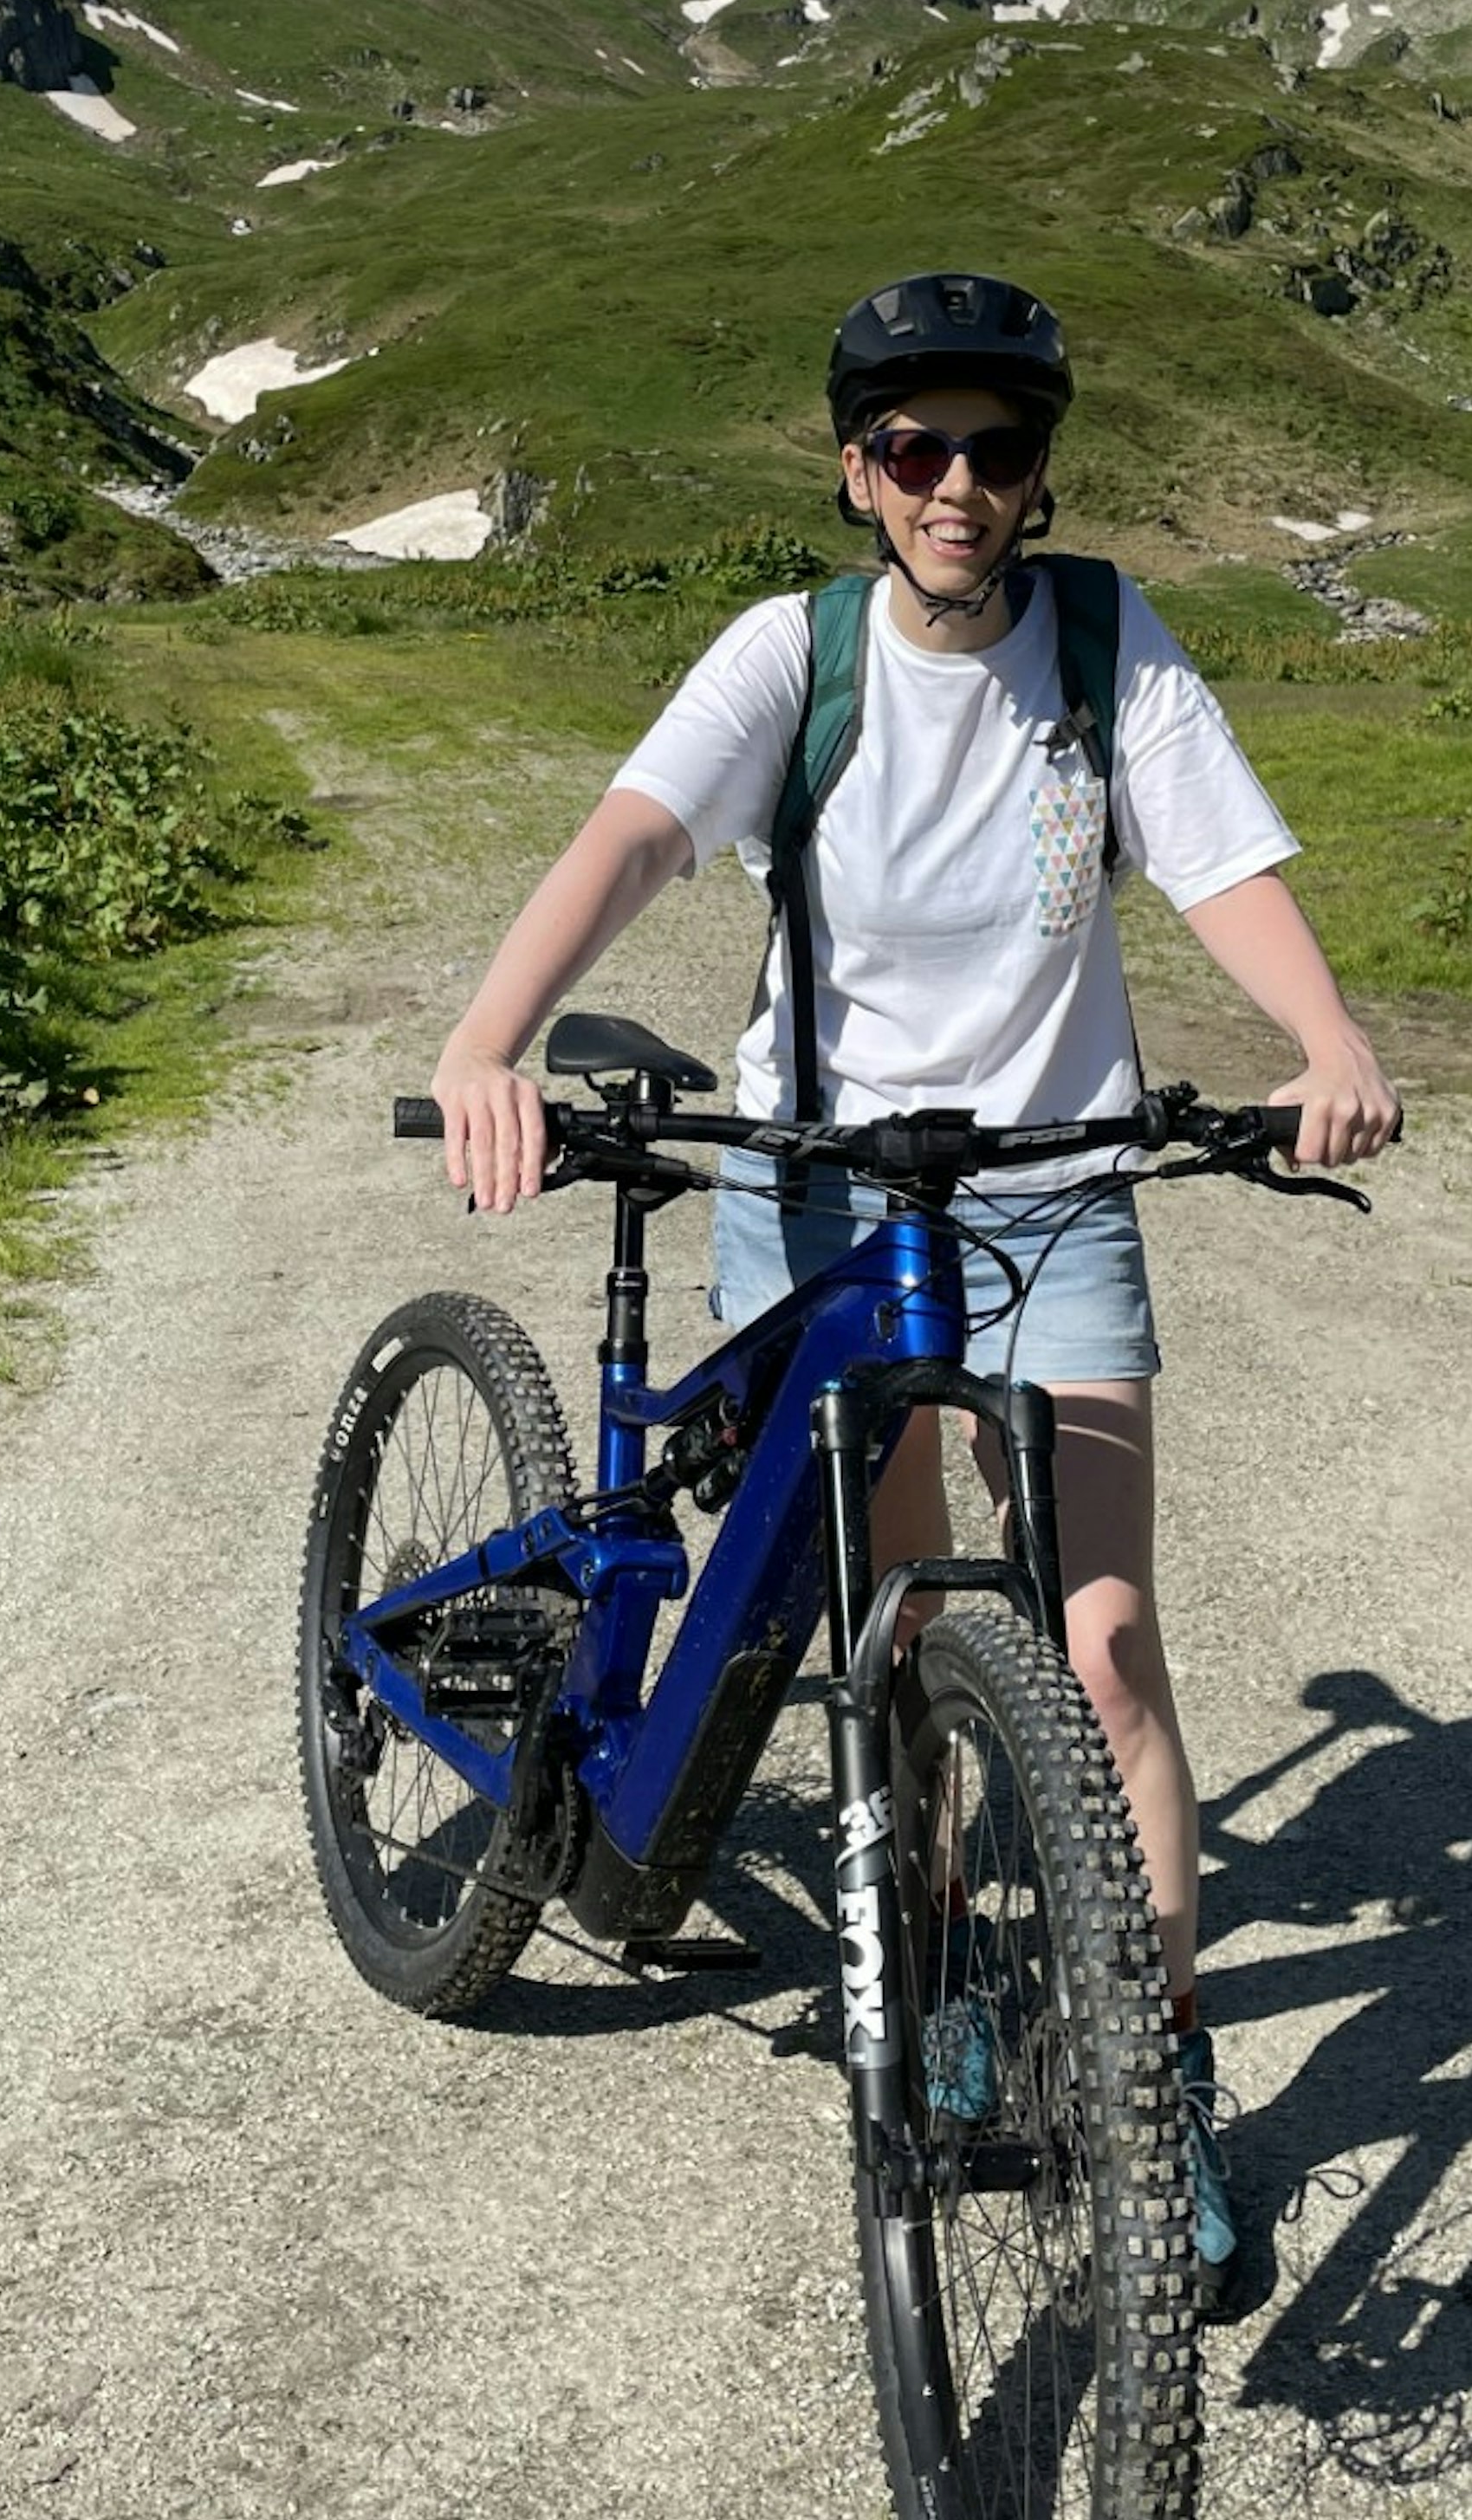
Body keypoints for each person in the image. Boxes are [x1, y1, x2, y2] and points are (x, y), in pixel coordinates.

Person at [430, 269, 1399, 2297]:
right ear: (855, 469)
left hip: (1052, 1194)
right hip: (834, 1199)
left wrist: (1330, 1045)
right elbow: (633, 838)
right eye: (915, 450)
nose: (960, 487)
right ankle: (952, 1979)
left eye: (1000, 449)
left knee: (1108, 1644)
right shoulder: (798, 652)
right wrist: (492, 1036)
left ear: (1045, 471)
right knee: (902, 1635)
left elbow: (1219, 865)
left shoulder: (1111, 652)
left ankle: (1160, 2085)